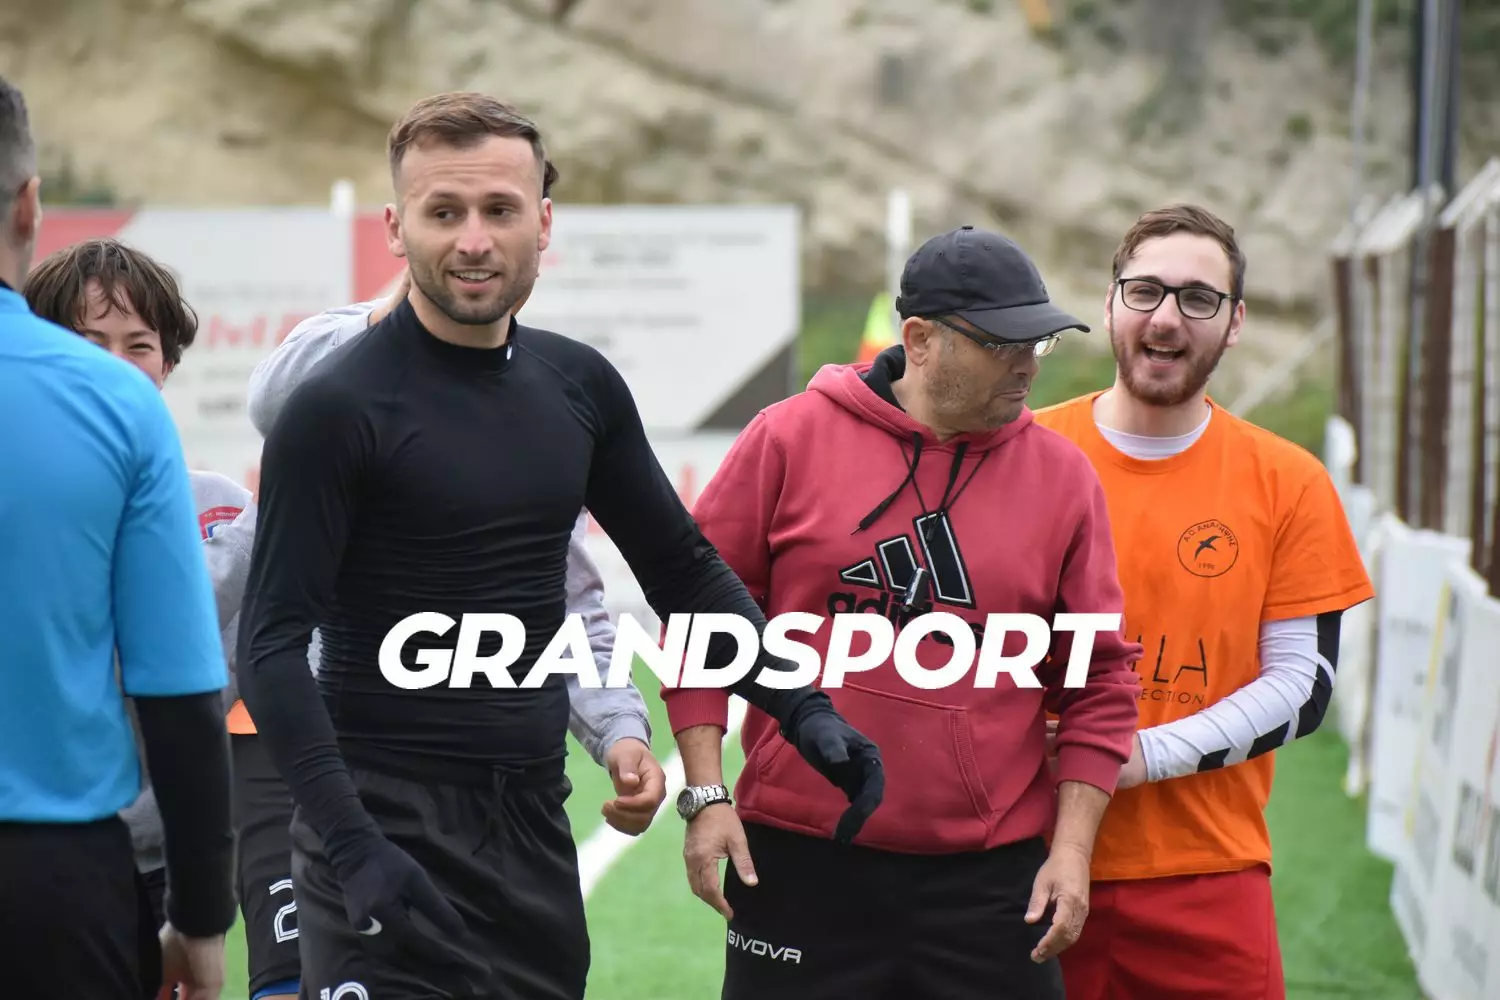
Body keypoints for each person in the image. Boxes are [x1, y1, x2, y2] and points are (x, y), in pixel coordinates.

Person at [235, 90, 884, 1000]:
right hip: (378, 827)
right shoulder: (335, 409)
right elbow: (269, 647)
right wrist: (351, 845)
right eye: (444, 212)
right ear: (395, 229)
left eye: (499, 210)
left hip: (530, 831)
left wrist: (803, 707)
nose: (474, 241)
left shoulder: (578, 386)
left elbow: (683, 571)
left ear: (543, 223)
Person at [27, 235, 670, 1000]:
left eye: (138, 345)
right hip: (64, 843)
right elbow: (142, 649)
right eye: (90, 342)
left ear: (168, 361)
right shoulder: (95, 503)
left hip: (229, 836)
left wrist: (616, 724)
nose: (117, 366)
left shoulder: (220, 506)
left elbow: (569, 607)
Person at [660, 224, 1144, 1000]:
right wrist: (707, 793)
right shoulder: (787, 438)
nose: (1027, 363)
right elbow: (702, 620)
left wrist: (1074, 849)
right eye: (1002, 344)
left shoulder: (1063, 478)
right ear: (919, 340)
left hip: (990, 882)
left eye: (1039, 342)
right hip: (799, 862)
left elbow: (1101, 679)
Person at [1032, 203, 1376, 1000]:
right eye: (1145, 291)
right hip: (1020, 864)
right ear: (1110, 303)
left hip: (1205, 877)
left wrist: (1140, 755)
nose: (1166, 317)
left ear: (1235, 322)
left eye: (1198, 298)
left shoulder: (1288, 482)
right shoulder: (1022, 455)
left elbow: (1303, 687)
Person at [0, 74, 235, 1000]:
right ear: (30, 205)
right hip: (50, 879)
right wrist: (203, 915)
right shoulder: (114, 411)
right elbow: (180, 693)